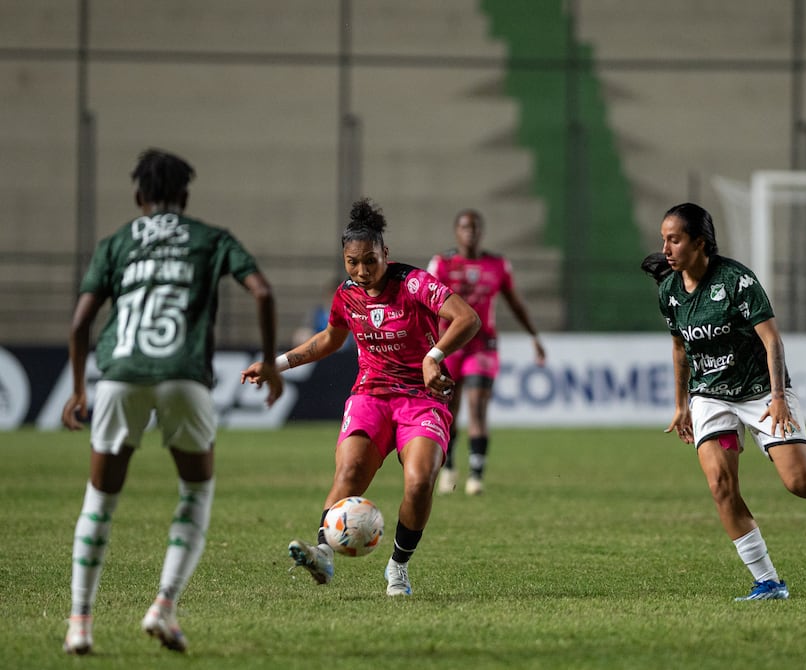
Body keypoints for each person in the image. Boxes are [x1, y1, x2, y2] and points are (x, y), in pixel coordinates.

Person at [61, 149, 284, 655]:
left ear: (139, 197)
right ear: (184, 197)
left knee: (100, 500)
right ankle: (163, 605)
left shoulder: (116, 242)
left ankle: (79, 622)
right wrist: (270, 363)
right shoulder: (211, 238)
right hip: (186, 375)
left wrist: (79, 389)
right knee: (195, 491)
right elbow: (264, 293)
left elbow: (79, 325)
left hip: (120, 376)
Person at [240, 198, 480, 596]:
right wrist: (275, 364)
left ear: (385, 253)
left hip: (421, 399)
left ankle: (398, 567)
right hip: (371, 394)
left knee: (420, 482)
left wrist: (433, 356)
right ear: (344, 260)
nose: (362, 271)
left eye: (370, 260)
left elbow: (466, 317)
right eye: (353, 262)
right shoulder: (346, 295)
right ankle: (322, 554)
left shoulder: (414, 283)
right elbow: (328, 340)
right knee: (349, 473)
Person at [646, 202, 806, 601]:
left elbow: (772, 340)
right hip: (710, 397)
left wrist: (779, 397)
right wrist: (681, 404)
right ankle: (768, 581)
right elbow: (680, 349)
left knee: (800, 485)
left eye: (674, 240)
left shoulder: (737, 281)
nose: (665, 248)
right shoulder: (670, 292)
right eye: (663, 239)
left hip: (761, 393)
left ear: (699, 243)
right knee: (720, 485)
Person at [426, 208, 546, 496]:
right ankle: (450, 467)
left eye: (475, 227)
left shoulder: (498, 265)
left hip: (483, 345)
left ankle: (476, 475)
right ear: (456, 231)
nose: (471, 231)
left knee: (478, 406)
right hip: (449, 346)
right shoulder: (441, 263)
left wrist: (534, 336)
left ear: (482, 231)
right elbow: (424, 303)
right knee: (448, 410)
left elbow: (516, 304)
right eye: (465, 227)